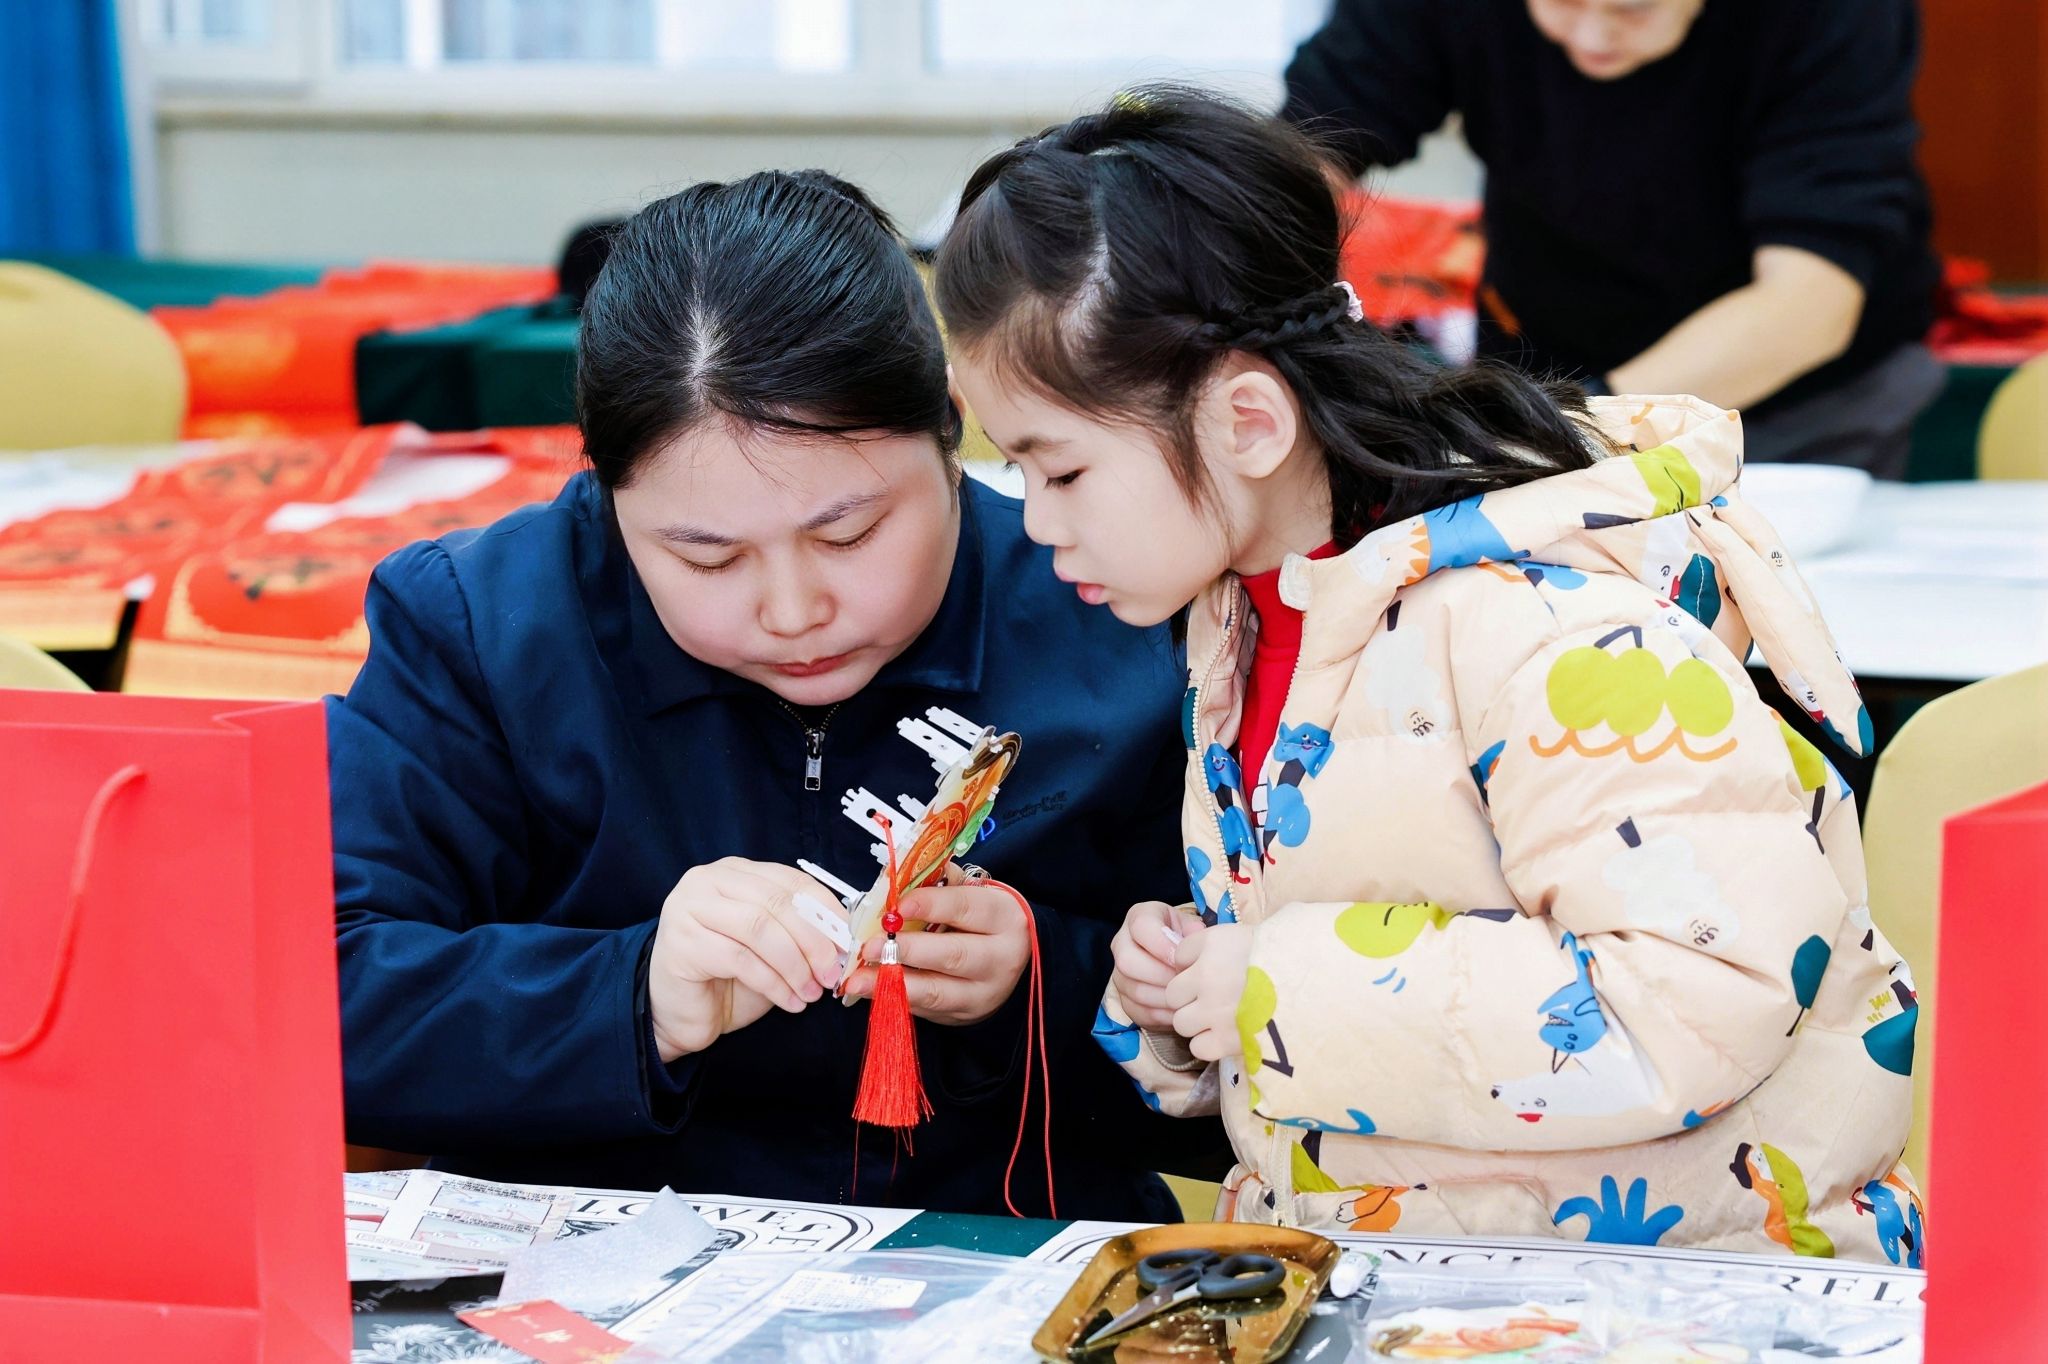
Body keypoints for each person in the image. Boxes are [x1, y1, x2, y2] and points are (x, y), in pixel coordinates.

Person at [934, 88, 1923, 1262]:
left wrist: (1274, 986)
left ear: (1246, 424)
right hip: (1425, 1282)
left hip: (1681, 1296)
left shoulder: (1552, 633)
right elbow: (1370, 969)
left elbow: (1690, 1002)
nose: (1035, 522)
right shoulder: (1239, 624)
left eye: (1059, 471)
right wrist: (1186, 997)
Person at [329, 169, 1217, 1221]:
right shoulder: (481, 628)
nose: (793, 611)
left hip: (1016, 1252)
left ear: (951, 427)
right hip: (575, 1272)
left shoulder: (1126, 616)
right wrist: (635, 995)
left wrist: (1044, 981)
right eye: (706, 558)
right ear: (607, 494)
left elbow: (1291, 1070)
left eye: (849, 534)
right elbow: (316, 998)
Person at [1284, 0, 1943, 480]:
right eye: (1563, 2)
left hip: (1796, 408)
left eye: (1635, 8)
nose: (1593, 36)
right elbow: (1306, 145)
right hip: (1547, 356)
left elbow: (1808, 303)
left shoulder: (1837, 16)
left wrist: (1567, 427)